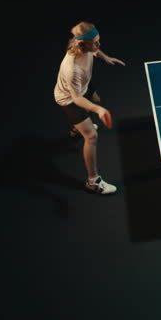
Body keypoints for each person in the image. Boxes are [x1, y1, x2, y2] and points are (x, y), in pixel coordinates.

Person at [54, 21, 126, 194]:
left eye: (98, 40)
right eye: (95, 42)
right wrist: (98, 110)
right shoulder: (72, 69)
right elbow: (77, 99)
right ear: (82, 44)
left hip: (83, 86)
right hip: (69, 99)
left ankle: (76, 129)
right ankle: (93, 181)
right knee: (92, 136)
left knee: (95, 99)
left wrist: (105, 57)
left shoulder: (83, 46)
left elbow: (94, 50)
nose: (98, 44)